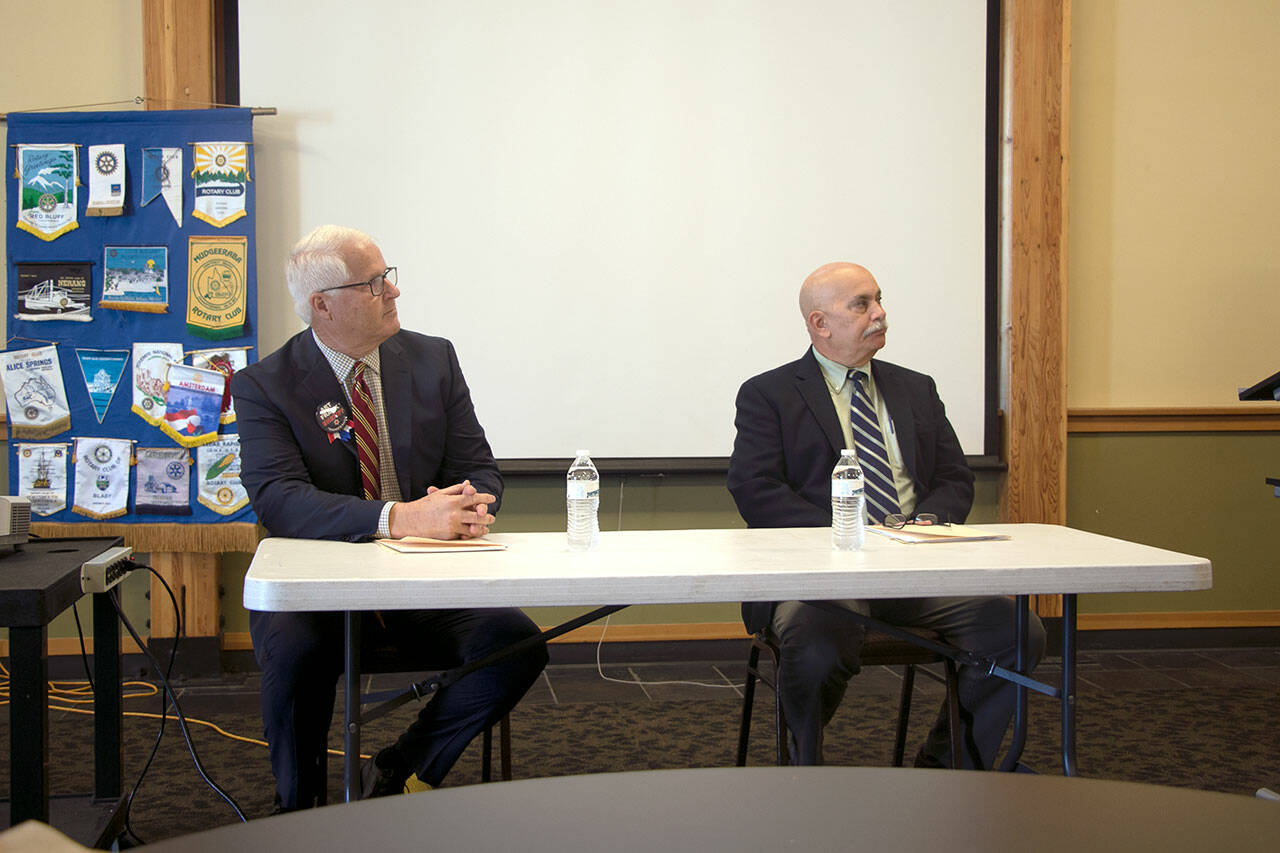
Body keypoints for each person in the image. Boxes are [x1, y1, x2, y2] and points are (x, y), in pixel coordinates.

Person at [232, 225, 547, 809]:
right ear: (321, 305)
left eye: (388, 277)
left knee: (517, 645)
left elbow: (480, 467)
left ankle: (406, 767)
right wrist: (400, 518)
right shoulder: (265, 386)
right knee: (296, 658)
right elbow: (278, 498)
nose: (393, 293)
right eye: (374, 284)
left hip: (427, 580)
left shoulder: (433, 359)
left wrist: (471, 507)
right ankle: (298, 815)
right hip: (322, 584)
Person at [726, 261, 1045, 769]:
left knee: (1016, 630)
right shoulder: (770, 393)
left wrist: (926, 524)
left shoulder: (915, 388)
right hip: (821, 574)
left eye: (878, 300)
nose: (880, 314)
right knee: (817, 639)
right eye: (862, 304)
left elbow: (954, 477)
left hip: (913, 567)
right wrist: (853, 535)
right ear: (819, 323)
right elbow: (755, 490)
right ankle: (802, 770)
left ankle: (953, 762)